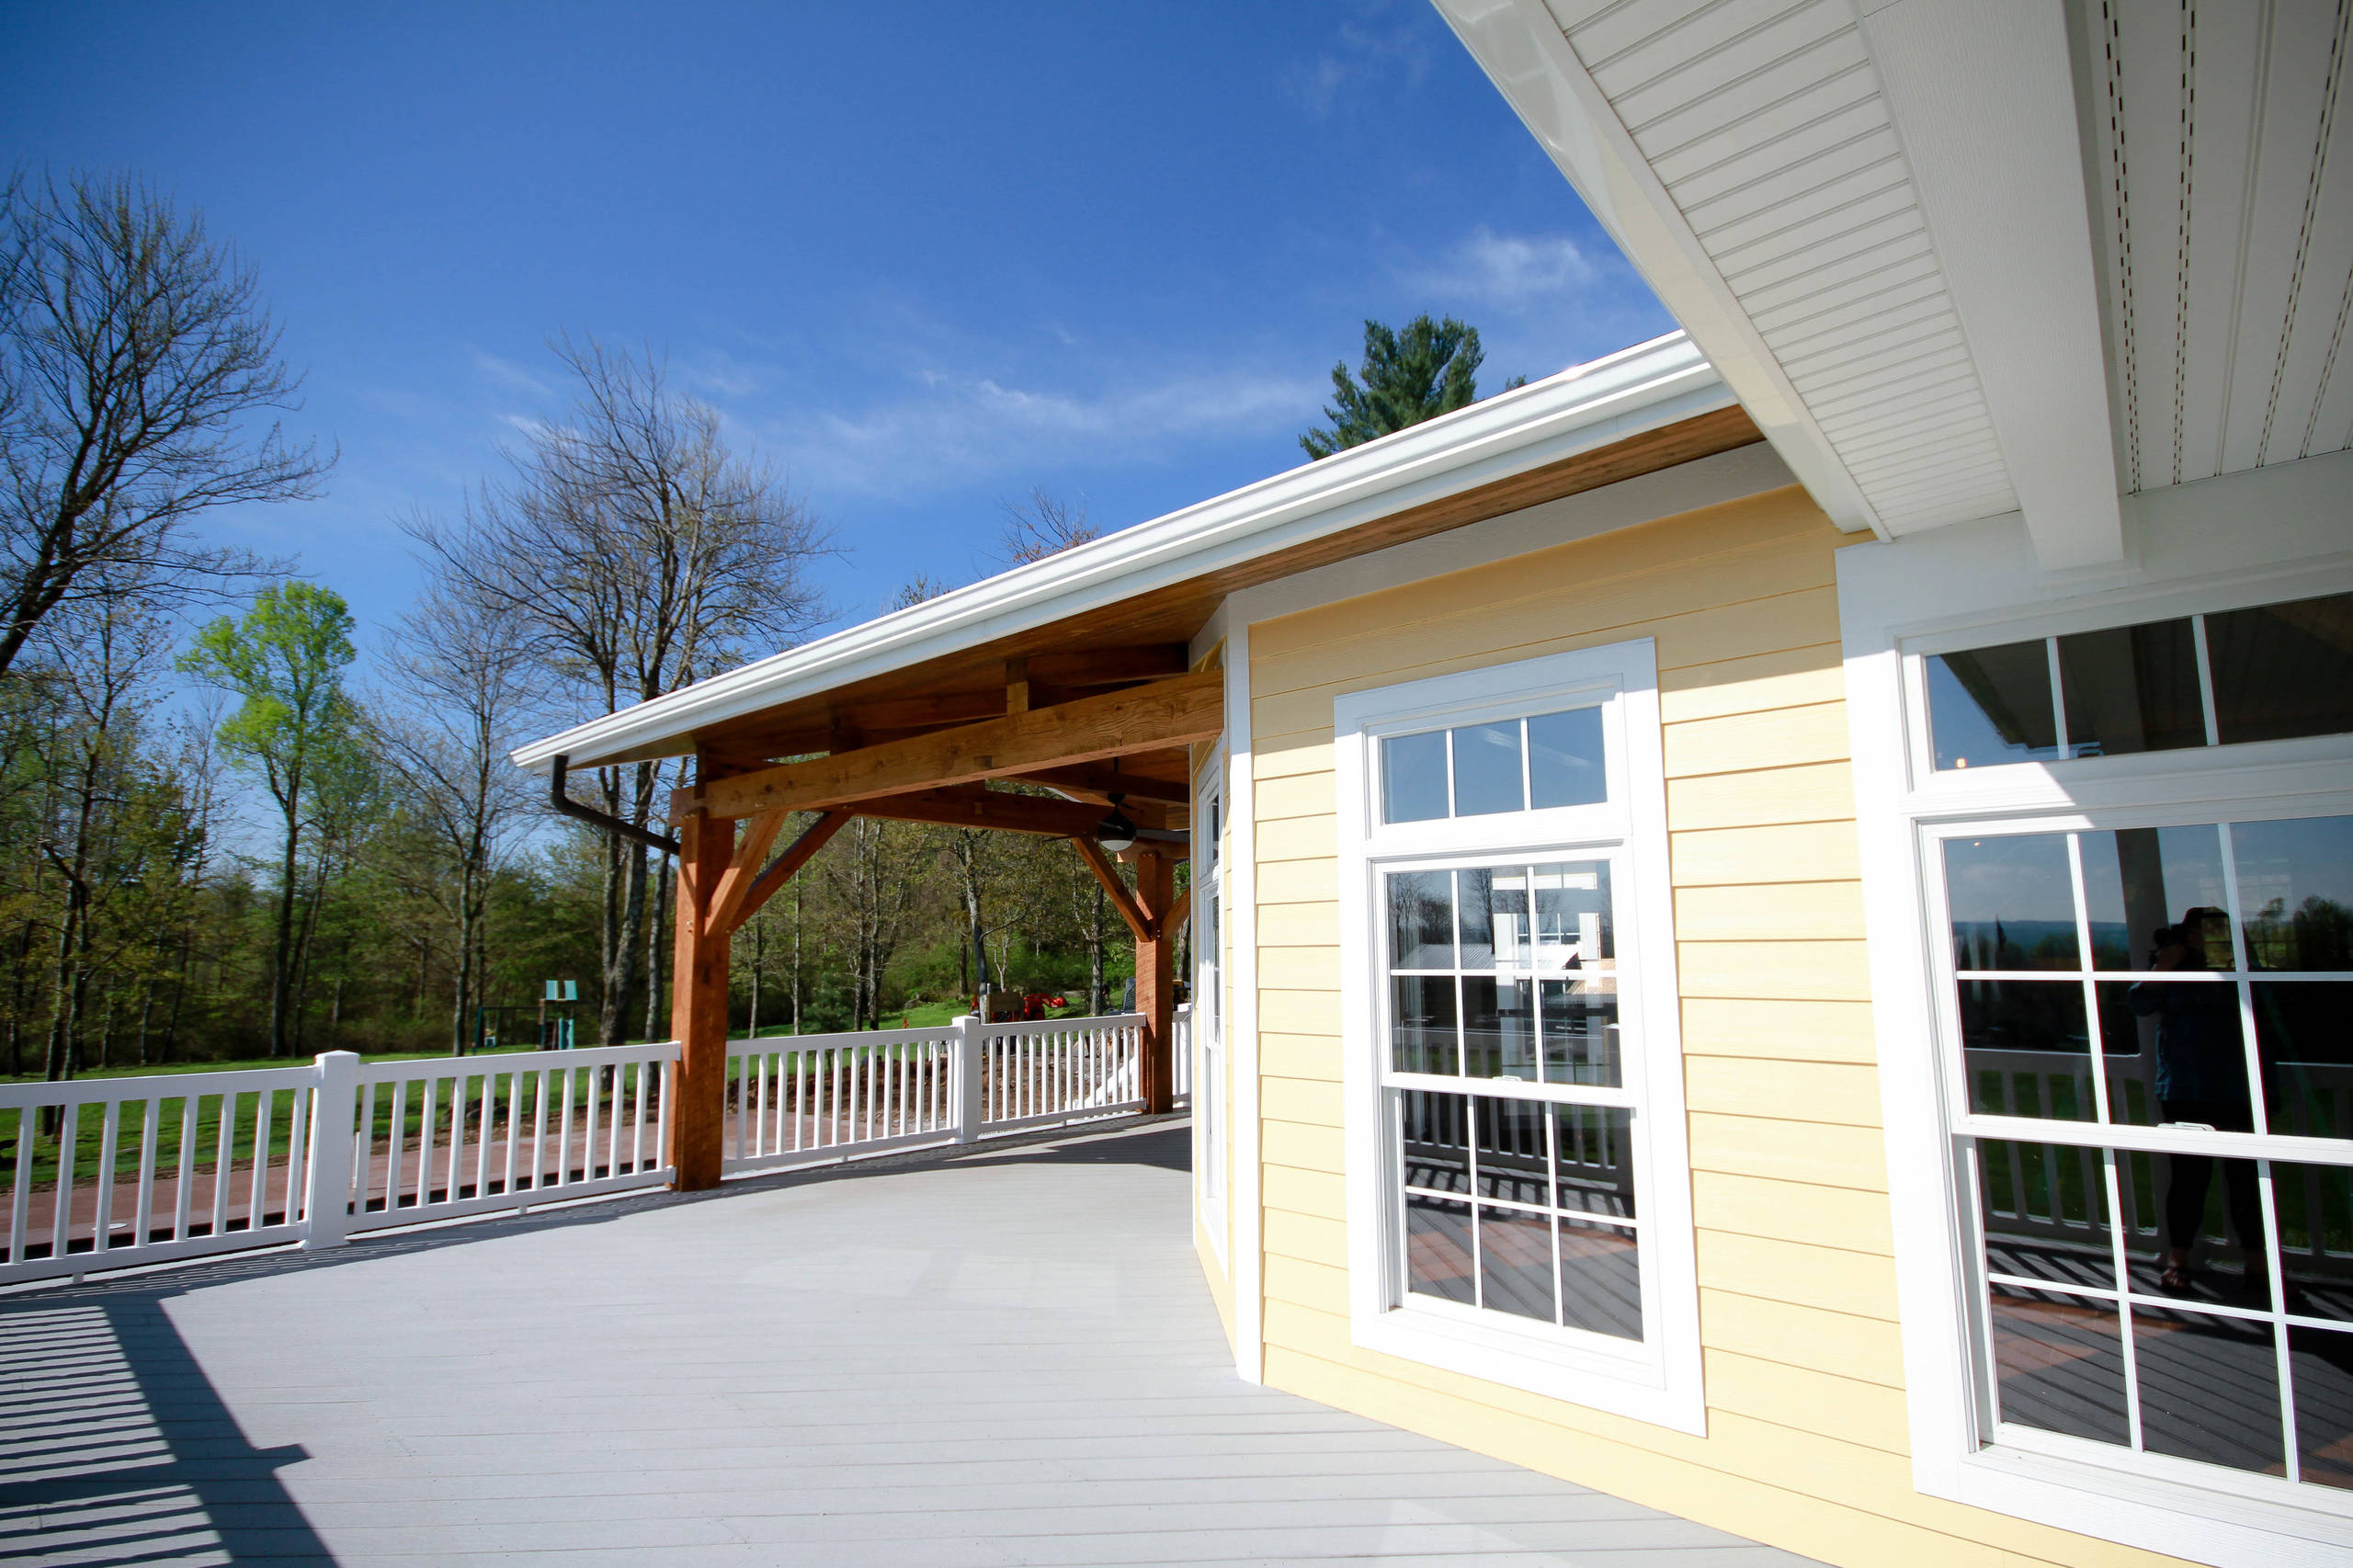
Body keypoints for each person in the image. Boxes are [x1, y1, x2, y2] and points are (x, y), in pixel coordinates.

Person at [2129, 907, 2261, 1292]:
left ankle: (2258, 1265)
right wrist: (2165, 966)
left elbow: (2262, 998)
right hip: (2185, 1087)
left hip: (2238, 1085)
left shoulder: (2236, 964)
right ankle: (2178, 1258)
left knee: (2247, 1180)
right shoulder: (2174, 965)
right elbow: (2139, 1004)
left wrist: (2226, 957)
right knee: (2188, 1179)